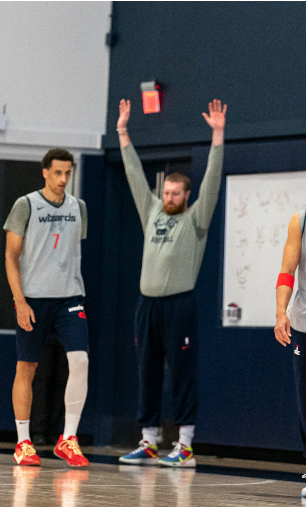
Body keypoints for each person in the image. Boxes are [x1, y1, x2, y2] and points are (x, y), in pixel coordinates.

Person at [116, 99, 226, 467]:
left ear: (186, 196)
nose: (169, 198)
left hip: (180, 305)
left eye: (175, 194)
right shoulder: (151, 212)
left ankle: (185, 445)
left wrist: (218, 135)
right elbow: (133, 175)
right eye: (166, 193)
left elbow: (212, 180)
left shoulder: (196, 219)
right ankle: (148, 441)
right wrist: (122, 132)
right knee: (147, 371)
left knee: (181, 373)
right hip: (147, 306)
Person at [4, 148, 90, 468]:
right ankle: (23, 442)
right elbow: (11, 256)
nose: (63, 179)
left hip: (69, 298)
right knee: (27, 368)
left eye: (68, 173)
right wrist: (20, 301)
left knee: (80, 361)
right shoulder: (25, 205)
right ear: (45, 172)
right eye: (58, 172)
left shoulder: (78, 207)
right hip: (33, 299)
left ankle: (68, 439)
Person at [272, 208, 306, 498]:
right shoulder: (300, 220)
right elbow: (287, 271)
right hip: (304, 323)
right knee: (305, 401)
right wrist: (281, 311)